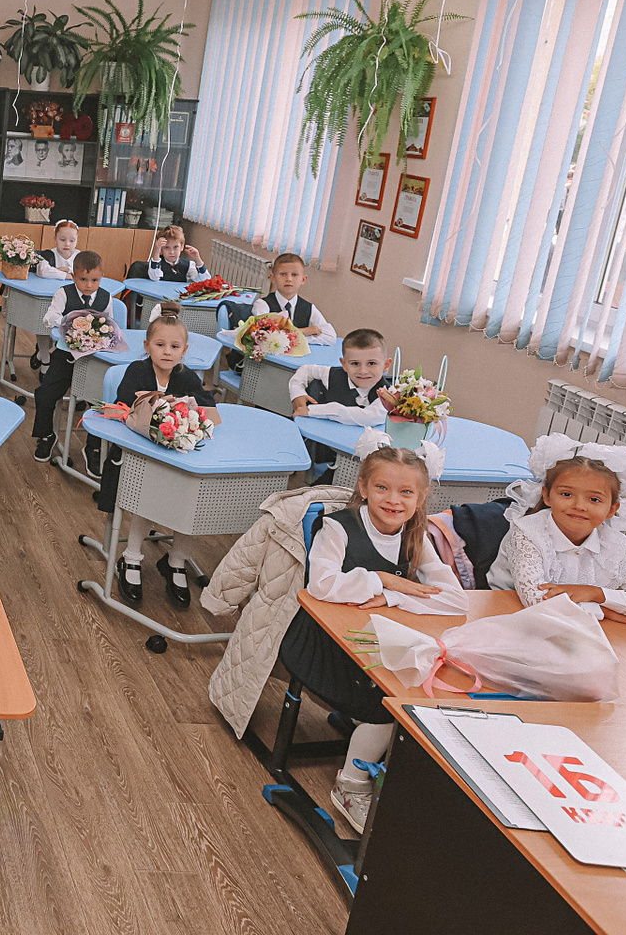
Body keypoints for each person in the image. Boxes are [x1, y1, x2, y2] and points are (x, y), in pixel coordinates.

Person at [275, 442, 459, 832]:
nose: (393, 500)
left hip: (376, 641)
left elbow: (453, 598)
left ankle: (386, 763)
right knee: (391, 705)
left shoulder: (416, 535)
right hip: (321, 643)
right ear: (363, 487)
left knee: (426, 688)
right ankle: (351, 785)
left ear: (421, 497)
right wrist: (383, 579)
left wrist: (392, 596)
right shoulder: (338, 527)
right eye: (382, 488)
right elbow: (322, 585)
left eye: (406, 492)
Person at [91, 306, 222, 605]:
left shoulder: (187, 378)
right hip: (136, 458)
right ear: (147, 346)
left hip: (178, 460)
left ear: (184, 351)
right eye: (160, 345)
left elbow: (207, 409)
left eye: (174, 347)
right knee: (146, 493)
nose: (167, 352)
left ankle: (176, 560)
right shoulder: (136, 371)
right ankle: (131, 556)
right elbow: (122, 406)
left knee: (192, 497)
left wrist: (186, 409)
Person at [486, 436, 626, 626]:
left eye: (594, 499)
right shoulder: (527, 533)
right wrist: (603, 610)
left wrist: (596, 594)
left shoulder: (615, 544)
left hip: (577, 627)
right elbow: (536, 602)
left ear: (612, 509)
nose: (579, 506)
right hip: (509, 619)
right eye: (566, 494)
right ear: (547, 496)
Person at [31, 250, 120, 463]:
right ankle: (46, 435)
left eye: (94, 280)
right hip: (65, 355)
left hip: (94, 359)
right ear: (73, 276)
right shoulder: (63, 293)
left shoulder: (106, 298)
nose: (88, 285)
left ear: (101, 277)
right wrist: (70, 322)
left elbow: (111, 325)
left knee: (101, 401)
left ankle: (94, 445)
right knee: (45, 394)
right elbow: (49, 317)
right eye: (83, 279)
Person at [290, 328, 394, 481]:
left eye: (372, 363)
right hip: (326, 450)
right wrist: (297, 394)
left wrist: (313, 410)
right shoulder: (333, 374)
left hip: (363, 461)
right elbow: (305, 370)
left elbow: (370, 416)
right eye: (355, 363)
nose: (363, 371)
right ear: (344, 364)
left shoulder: (388, 395)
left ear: (386, 365)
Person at [28, 220, 84, 371]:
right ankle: (45, 358)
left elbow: (83, 273)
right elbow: (43, 271)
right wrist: (66, 274)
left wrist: (61, 270)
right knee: (43, 324)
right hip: (46, 298)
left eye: (72, 240)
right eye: (62, 239)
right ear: (55, 238)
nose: (67, 244)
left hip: (69, 300)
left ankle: (42, 353)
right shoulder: (48, 255)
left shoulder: (80, 256)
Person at [250, 252, 337, 342]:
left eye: (294, 275)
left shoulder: (308, 307)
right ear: (273, 278)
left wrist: (298, 339)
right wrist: (304, 331)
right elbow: (264, 334)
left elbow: (330, 336)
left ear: (303, 279)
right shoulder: (262, 304)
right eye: (283, 274)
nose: (289, 279)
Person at [128, 225, 209, 284]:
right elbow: (154, 277)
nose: (172, 252)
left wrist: (198, 259)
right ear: (161, 249)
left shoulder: (189, 265)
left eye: (175, 247)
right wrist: (157, 250)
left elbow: (205, 280)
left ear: (182, 247)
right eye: (166, 248)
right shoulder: (157, 263)